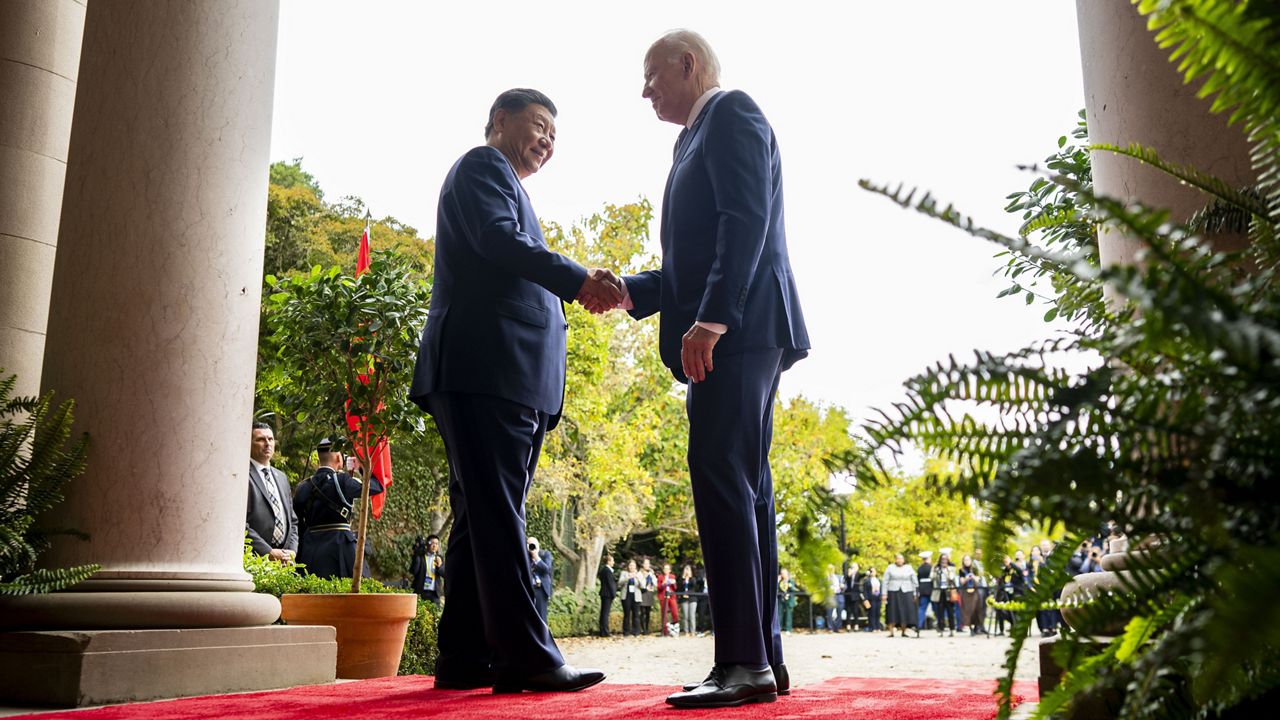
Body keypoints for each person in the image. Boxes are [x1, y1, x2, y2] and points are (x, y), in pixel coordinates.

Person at [619, 30, 810, 709]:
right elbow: (691, 262)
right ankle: (760, 659)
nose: (646, 91)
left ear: (687, 64)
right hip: (734, 326)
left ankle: (741, 662)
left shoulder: (732, 113)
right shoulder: (689, 141)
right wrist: (631, 291)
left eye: (652, 76)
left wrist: (715, 319)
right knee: (744, 486)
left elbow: (745, 220)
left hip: (739, 330)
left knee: (721, 477)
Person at [406, 88, 613, 694]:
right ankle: (529, 656)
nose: (547, 141)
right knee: (499, 513)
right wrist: (578, 278)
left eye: (554, 135)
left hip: (511, 377)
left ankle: (466, 657)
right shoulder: (482, 166)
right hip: (484, 369)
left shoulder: (512, 186)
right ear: (499, 121)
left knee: (479, 514)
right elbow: (503, 244)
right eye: (539, 125)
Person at [293, 437, 385, 579]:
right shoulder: (342, 481)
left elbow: (298, 523)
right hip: (340, 547)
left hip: (310, 550)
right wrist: (361, 467)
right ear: (338, 457)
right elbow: (376, 486)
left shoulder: (303, 486)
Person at [247, 422, 298, 563]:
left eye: (270, 439)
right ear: (248, 443)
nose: (267, 444)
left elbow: (293, 521)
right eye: (261, 439)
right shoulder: (242, 475)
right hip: (254, 559)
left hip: (283, 560)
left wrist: (292, 552)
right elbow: (239, 524)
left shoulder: (282, 477)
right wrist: (267, 552)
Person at [882, 554, 918, 638]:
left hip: (907, 591)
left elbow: (914, 580)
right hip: (893, 591)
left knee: (905, 611)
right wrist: (884, 593)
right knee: (892, 611)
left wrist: (915, 592)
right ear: (895, 560)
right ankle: (891, 632)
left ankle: (903, 631)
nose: (899, 560)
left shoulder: (909, 568)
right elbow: (885, 581)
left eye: (901, 559)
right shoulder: (890, 568)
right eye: (898, 559)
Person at [958, 555, 987, 636]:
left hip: (975, 591)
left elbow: (978, 580)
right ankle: (970, 628)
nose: (967, 562)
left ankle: (977, 627)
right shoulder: (961, 570)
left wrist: (973, 576)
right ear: (963, 561)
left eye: (968, 560)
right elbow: (962, 581)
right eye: (965, 560)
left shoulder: (974, 569)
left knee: (976, 608)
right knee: (968, 610)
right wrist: (967, 578)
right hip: (966, 592)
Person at [931, 552, 958, 636]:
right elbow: (931, 577)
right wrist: (936, 570)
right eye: (942, 559)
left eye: (945, 559)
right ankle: (941, 630)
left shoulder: (951, 568)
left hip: (949, 592)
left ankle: (952, 629)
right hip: (939, 592)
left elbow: (953, 579)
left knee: (950, 612)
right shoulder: (936, 569)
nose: (944, 561)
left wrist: (948, 571)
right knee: (940, 612)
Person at [529, 537, 553, 625]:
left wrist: (536, 557)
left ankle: (543, 637)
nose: (531, 547)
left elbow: (547, 570)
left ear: (538, 545)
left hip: (540, 589)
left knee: (541, 617)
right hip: (528, 588)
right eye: (529, 544)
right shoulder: (525, 556)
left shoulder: (545, 554)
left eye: (533, 544)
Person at [619, 558, 643, 637]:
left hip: (636, 597)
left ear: (636, 566)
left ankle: (636, 631)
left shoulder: (639, 574)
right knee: (626, 614)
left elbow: (643, 586)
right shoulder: (624, 573)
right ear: (628, 566)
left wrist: (637, 578)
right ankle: (626, 632)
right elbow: (619, 583)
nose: (632, 567)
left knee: (636, 614)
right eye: (630, 565)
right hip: (626, 596)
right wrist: (628, 578)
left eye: (633, 565)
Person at [597, 554, 618, 637]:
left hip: (604, 593)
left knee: (603, 613)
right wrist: (613, 594)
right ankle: (605, 631)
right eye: (612, 561)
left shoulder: (603, 570)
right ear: (608, 561)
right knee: (605, 613)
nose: (613, 562)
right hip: (607, 594)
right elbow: (610, 584)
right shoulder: (607, 571)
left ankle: (602, 630)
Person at [915, 550, 934, 637]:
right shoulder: (931, 568)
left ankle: (918, 625)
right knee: (936, 608)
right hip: (931, 589)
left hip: (922, 590)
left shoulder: (920, 568)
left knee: (922, 609)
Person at [658, 563, 680, 636]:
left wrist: (674, 583)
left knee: (675, 612)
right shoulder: (660, 577)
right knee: (664, 614)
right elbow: (659, 588)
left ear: (670, 570)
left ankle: (675, 629)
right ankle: (665, 631)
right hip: (663, 596)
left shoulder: (672, 576)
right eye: (665, 569)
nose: (666, 570)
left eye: (667, 569)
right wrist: (663, 583)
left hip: (671, 596)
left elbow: (675, 588)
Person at [678, 564, 700, 635]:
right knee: (685, 616)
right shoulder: (682, 579)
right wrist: (684, 578)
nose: (687, 571)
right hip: (684, 599)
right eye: (686, 569)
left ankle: (693, 631)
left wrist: (689, 577)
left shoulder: (693, 578)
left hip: (692, 599)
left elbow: (695, 585)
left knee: (692, 616)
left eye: (688, 569)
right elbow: (679, 587)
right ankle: (686, 631)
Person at [638, 557, 658, 635]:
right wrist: (645, 577)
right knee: (642, 612)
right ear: (643, 564)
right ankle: (642, 629)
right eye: (645, 563)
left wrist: (651, 575)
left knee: (648, 612)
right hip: (643, 593)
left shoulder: (651, 573)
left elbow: (655, 583)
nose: (647, 565)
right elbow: (641, 584)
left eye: (648, 563)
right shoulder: (640, 573)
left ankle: (647, 628)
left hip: (650, 593)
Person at [843, 562, 864, 631]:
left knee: (855, 611)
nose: (853, 569)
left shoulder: (858, 574)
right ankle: (848, 625)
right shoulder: (848, 574)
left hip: (855, 595)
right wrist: (850, 574)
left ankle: (856, 625)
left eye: (855, 567)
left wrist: (867, 573)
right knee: (848, 611)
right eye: (852, 567)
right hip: (848, 594)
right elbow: (845, 579)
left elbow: (862, 575)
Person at [824, 564, 845, 632]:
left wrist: (843, 586)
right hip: (830, 596)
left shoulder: (839, 577)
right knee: (829, 613)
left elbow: (846, 586)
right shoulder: (825, 578)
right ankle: (830, 628)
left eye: (832, 568)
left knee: (840, 612)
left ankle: (838, 627)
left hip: (839, 595)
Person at [777, 569, 798, 633]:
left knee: (788, 615)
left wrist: (790, 585)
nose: (783, 574)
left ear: (787, 573)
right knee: (779, 614)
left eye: (784, 573)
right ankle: (779, 628)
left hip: (789, 600)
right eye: (782, 573)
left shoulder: (791, 580)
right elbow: (777, 588)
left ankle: (788, 629)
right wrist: (777, 581)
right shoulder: (780, 581)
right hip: (781, 599)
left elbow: (794, 589)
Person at [864, 567, 883, 632]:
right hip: (870, 599)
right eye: (871, 571)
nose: (873, 572)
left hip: (878, 598)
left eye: (874, 571)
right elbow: (865, 591)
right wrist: (865, 599)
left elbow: (881, 589)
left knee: (878, 613)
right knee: (871, 613)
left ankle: (878, 627)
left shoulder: (879, 580)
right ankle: (872, 627)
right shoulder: (867, 581)